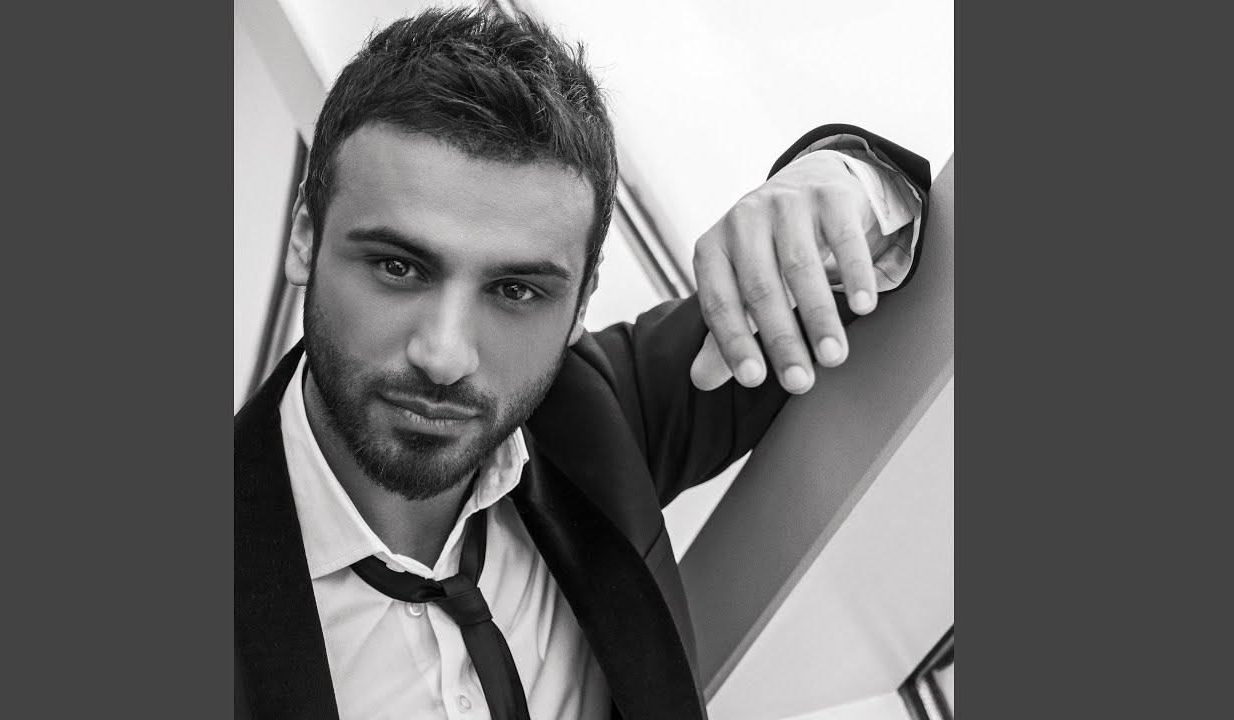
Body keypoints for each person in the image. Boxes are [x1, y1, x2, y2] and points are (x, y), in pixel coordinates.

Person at [235, 6, 930, 720]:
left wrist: (845, 180)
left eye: (515, 290)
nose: (443, 356)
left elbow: (856, 262)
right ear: (305, 235)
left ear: (580, 304)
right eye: (398, 266)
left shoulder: (595, 414)